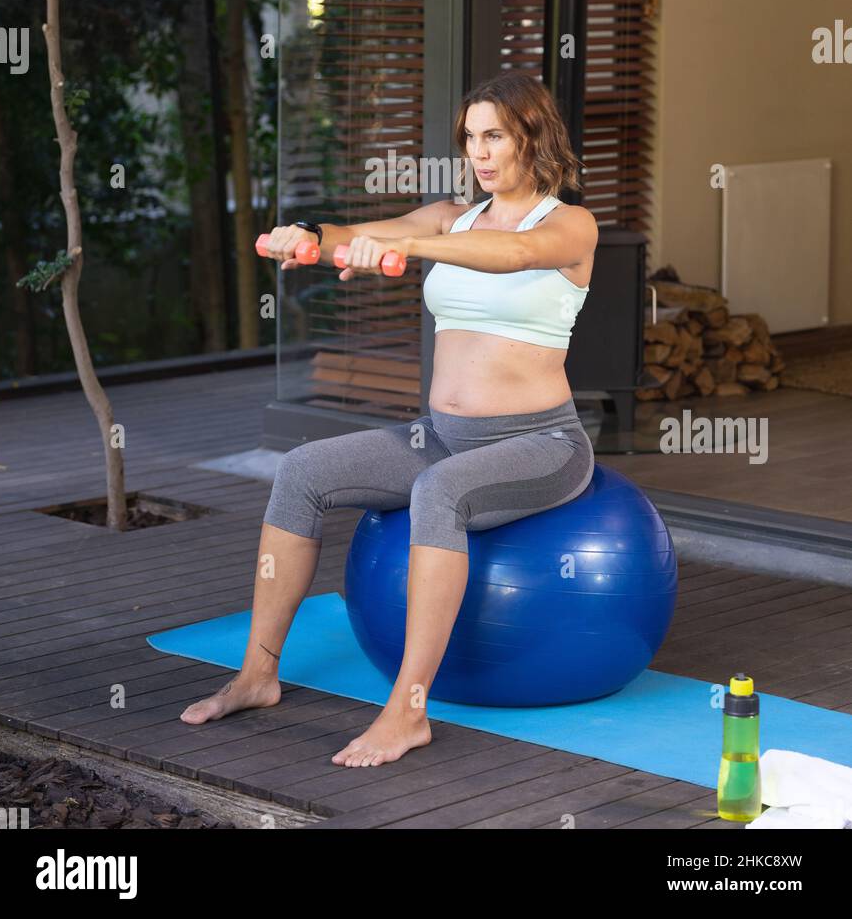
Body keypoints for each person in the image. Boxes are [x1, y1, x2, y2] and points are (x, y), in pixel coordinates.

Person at [180, 71, 599, 767]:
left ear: (534, 134)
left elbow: (513, 256)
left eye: (495, 135)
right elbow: (355, 234)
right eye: (470, 139)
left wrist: (408, 253)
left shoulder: (565, 224)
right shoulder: (447, 217)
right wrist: (308, 236)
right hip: (441, 435)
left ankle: (408, 713)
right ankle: (257, 674)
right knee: (302, 470)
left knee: (437, 494)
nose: (481, 153)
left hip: (541, 444)